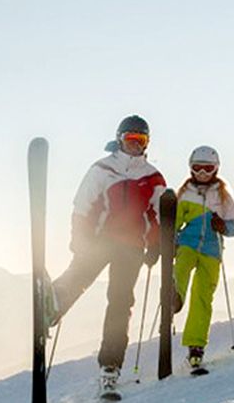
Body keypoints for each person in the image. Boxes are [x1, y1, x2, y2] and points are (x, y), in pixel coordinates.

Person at [42, 115, 166, 396]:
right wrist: (78, 238)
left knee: (120, 302)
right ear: (119, 139)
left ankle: (110, 366)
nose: (134, 145)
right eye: (130, 139)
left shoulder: (153, 176)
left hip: (132, 246)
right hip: (100, 239)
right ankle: (52, 304)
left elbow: (158, 214)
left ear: (147, 143)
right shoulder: (102, 168)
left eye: (140, 140)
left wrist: (156, 245)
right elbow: (82, 205)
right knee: (81, 274)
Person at [172, 145, 234, 370]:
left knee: (202, 296)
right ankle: (175, 295)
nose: (202, 174)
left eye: (207, 169)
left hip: (212, 251)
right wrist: (171, 242)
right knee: (181, 266)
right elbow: (174, 223)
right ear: (191, 169)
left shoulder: (223, 195)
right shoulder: (185, 194)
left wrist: (223, 226)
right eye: (197, 168)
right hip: (188, 244)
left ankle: (195, 346)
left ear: (216, 169)